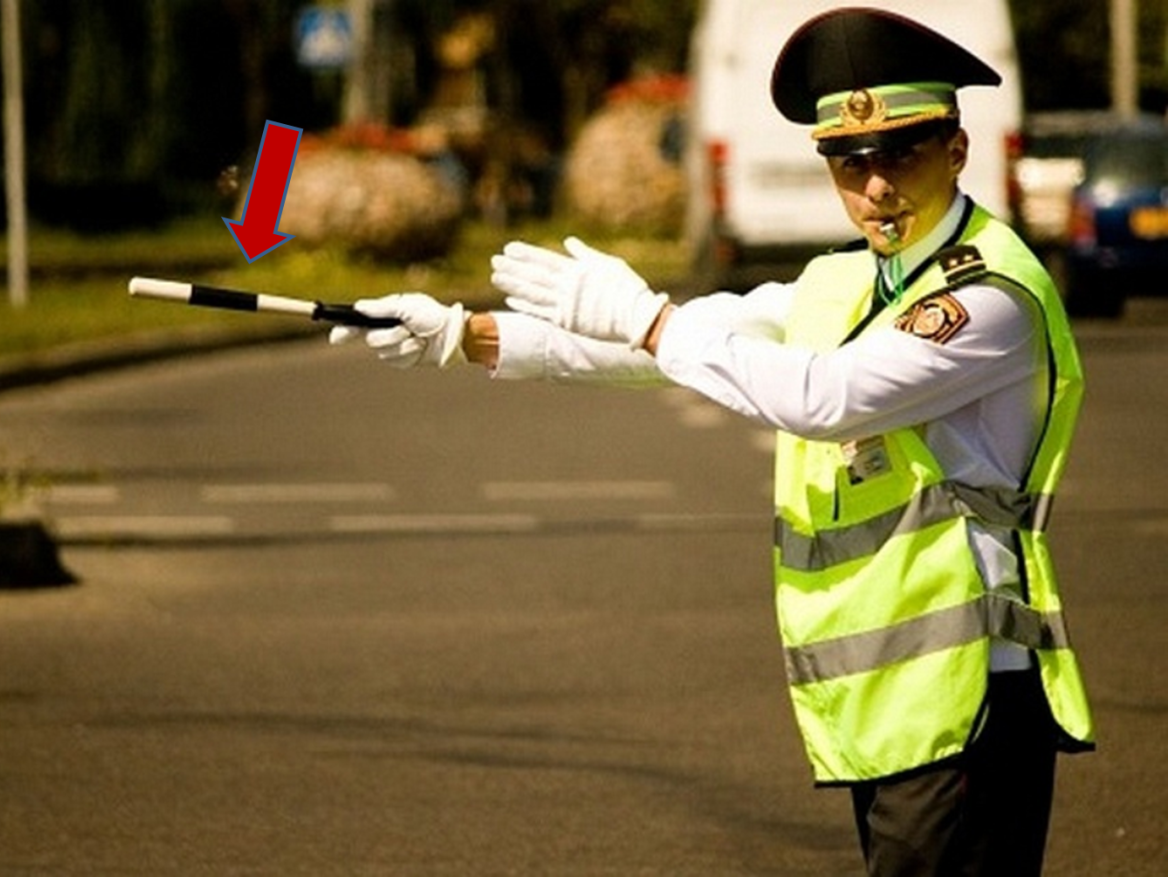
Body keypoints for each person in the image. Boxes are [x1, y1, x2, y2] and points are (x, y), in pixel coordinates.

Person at [330, 8, 1094, 876]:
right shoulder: (847, 279)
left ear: (957, 150)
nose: (877, 186)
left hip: (975, 692)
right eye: (850, 162)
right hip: (897, 698)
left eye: (901, 155)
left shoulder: (988, 294)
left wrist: (651, 320)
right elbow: (684, 345)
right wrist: (464, 335)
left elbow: (824, 396)